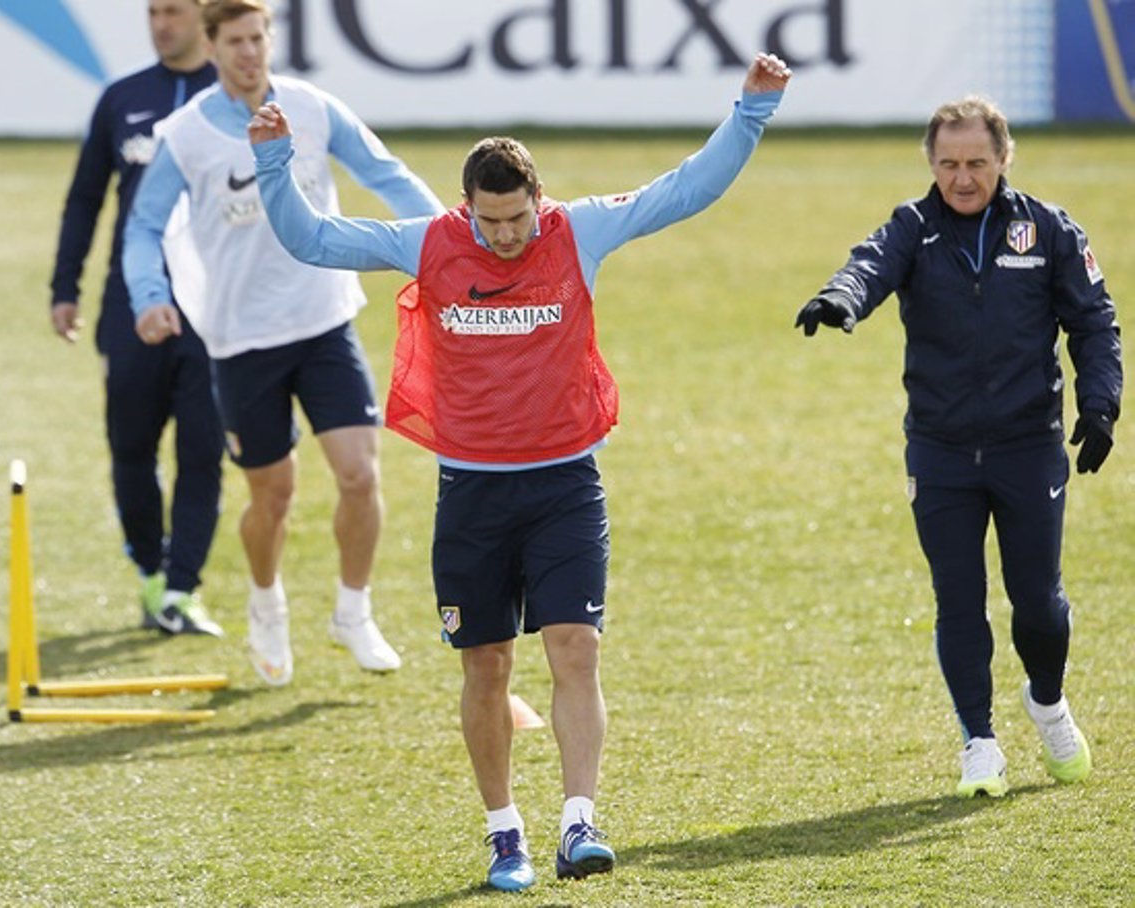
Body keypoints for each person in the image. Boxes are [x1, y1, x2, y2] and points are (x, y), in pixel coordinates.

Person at [249, 52, 791, 890]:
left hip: (567, 483)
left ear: (539, 200)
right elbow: (311, 237)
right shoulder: (428, 243)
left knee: (575, 649)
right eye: (490, 222)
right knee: (487, 667)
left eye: (517, 219)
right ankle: (506, 834)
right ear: (467, 208)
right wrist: (275, 162)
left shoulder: (581, 230)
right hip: (471, 491)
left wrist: (751, 110)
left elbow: (681, 189)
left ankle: (581, 821)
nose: (505, 237)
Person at [795, 96, 1121, 798]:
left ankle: (1047, 698)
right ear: (932, 164)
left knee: (1038, 601)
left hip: (1027, 446)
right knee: (958, 598)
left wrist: (1101, 403)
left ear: (1004, 159)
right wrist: (839, 299)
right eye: (948, 164)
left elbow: (1094, 322)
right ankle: (979, 741)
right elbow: (870, 264)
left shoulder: (1049, 230)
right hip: (940, 451)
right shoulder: (914, 228)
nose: (963, 177)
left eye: (976, 162)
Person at [124, 0, 443, 686]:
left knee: (361, 473)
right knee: (273, 496)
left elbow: (385, 174)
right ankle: (266, 602)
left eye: (257, 37)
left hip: (324, 321)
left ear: (271, 39)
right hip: (242, 341)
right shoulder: (184, 136)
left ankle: (352, 611)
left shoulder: (313, 107)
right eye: (234, 41)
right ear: (210, 48)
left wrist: (449, 240)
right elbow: (143, 227)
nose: (249, 52)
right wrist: (150, 297)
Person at [49, 0, 224, 636]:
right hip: (129, 304)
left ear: (204, 18)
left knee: (203, 451)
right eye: (153, 12)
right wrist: (64, 286)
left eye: (173, 12)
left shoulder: (232, 98)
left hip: (215, 306)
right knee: (130, 445)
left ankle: (183, 588)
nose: (160, 24)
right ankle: (151, 571)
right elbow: (85, 199)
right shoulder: (122, 98)